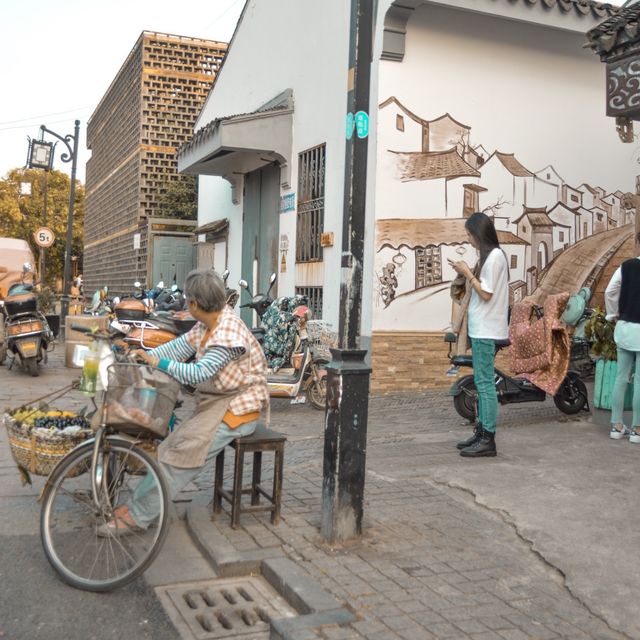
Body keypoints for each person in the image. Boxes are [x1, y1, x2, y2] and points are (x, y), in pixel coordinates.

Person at [99, 268, 269, 535]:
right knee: (168, 447)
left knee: (183, 456)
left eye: (188, 299)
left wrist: (158, 362)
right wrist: (145, 353)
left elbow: (199, 372)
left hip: (238, 408)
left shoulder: (227, 333)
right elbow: (179, 348)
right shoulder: (209, 321)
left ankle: (138, 516)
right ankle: (137, 506)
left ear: (194, 303)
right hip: (218, 403)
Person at [448, 212, 509, 457]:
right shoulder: (490, 257)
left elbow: (486, 293)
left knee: (485, 386)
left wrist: (467, 272)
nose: (469, 239)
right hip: (481, 327)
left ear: (478, 234)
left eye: (470, 235)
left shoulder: (494, 257)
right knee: (482, 382)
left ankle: (488, 439)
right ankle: (481, 432)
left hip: (486, 328)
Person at [604, 232, 640, 442]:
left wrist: (613, 313)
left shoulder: (625, 267)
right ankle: (637, 430)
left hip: (625, 328)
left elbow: (610, 291)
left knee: (621, 378)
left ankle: (616, 426)